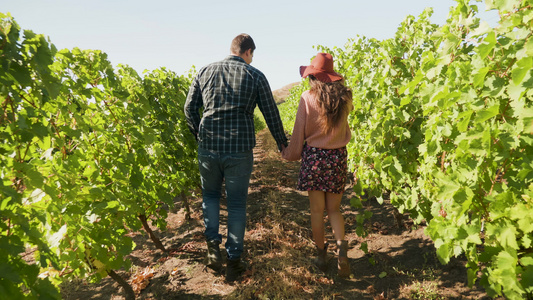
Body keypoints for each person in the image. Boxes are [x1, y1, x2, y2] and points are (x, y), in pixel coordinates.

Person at [184, 33, 288, 282]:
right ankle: (234, 262)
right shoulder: (256, 75)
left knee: (209, 196)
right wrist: (282, 143)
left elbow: (189, 107)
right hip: (239, 148)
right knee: (237, 204)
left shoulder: (205, 71)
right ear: (248, 52)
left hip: (208, 146)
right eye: (252, 55)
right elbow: (271, 113)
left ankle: (212, 250)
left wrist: (199, 133)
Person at [281, 52, 353, 277]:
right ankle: (342, 251)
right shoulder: (346, 99)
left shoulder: (307, 98)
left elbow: (298, 133)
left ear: (313, 76)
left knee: (316, 211)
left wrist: (288, 153)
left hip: (314, 159)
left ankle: (321, 255)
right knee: (334, 209)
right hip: (337, 158)